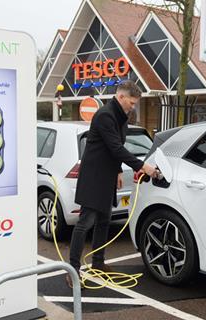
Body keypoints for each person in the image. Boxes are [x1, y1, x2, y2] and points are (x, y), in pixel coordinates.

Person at [66, 80, 157, 288]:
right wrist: (143, 167)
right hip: (94, 176)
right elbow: (116, 148)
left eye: (135, 104)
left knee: (104, 220)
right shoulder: (105, 115)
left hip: (107, 175)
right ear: (121, 96)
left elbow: (116, 146)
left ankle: (98, 264)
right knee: (85, 223)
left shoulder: (121, 116)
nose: (133, 107)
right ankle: (72, 271)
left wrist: (117, 170)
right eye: (131, 103)